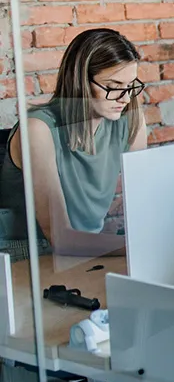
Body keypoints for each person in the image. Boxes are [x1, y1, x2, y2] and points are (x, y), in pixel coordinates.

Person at [0, 28, 147, 259]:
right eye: (114, 86)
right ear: (79, 82)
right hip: (25, 256)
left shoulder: (130, 120)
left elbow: (144, 204)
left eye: (130, 86)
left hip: (84, 252)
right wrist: (137, 245)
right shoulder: (38, 129)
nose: (125, 98)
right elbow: (61, 238)